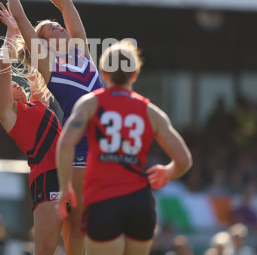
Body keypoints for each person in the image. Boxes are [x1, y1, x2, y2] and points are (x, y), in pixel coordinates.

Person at [0, 0, 103, 255]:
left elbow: (66, 4)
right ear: (44, 44)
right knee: (78, 225)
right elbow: (25, 22)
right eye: (53, 29)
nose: (61, 28)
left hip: (106, 140)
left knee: (85, 232)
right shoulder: (48, 64)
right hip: (82, 143)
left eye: (58, 26)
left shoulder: (81, 48)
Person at [56, 40, 192, 255]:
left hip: (103, 200)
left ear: (104, 73)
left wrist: (65, 188)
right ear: (135, 74)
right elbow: (184, 160)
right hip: (140, 202)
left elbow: (65, 144)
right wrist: (169, 171)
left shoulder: (90, 103)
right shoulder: (151, 112)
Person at [0, 3, 62, 255]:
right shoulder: (9, 114)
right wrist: (11, 31)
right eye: (8, 88)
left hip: (70, 171)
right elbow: (4, 66)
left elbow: (35, 70)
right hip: (47, 177)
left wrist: (23, 31)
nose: (14, 85)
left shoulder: (36, 104)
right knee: (45, 249)